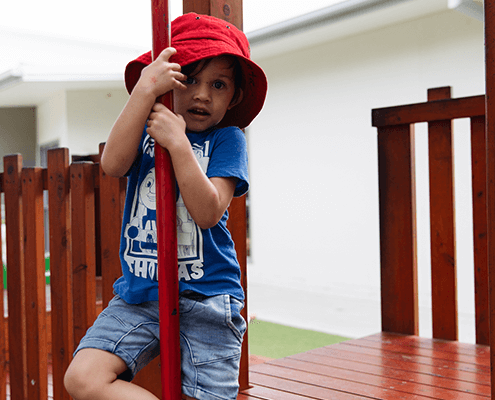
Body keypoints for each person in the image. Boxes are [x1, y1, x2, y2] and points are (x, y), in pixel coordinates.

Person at [64, 12, 267, 400]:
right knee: (84, 379)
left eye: (219, 84)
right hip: (141, 294)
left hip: (208, 297)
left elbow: (208, 212)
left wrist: (178, 144)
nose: (202, 94)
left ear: (235, 97)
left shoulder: (228, 140)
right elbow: (113, 165)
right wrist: (144, 92)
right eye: (189, 79)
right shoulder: (148, 128)